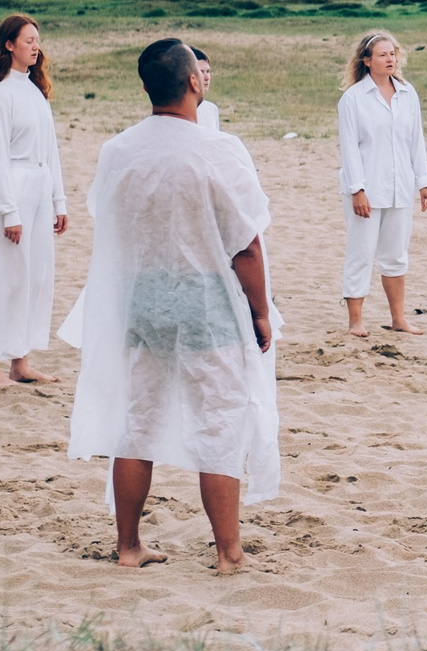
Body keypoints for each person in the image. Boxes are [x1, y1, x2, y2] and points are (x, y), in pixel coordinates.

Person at [63, 37, 279, 573]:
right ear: (193, 82)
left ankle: (128, 544)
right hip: (205, 297)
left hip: (143, 297)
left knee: (137, 418)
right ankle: (229, 552)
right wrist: (260, 310)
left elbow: (109, 222)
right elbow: (246, 245)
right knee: (220, 420)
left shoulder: (119, 150)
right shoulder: (217, 149)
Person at [0, 14, 68, 388]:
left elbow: (51, 151)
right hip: (13, 189)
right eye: (28, 40)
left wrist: (59, 201)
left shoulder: (35, 91)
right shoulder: (0, 94)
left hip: (40, 187)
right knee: (6, 278)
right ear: (9, 45)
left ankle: (21, 361)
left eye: (38, 39)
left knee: (36, 277)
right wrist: (9, 211)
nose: (35, 45)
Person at [337, 29, 427, 338]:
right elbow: (349, 148)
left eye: (392, 53)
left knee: (396, 255)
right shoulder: (353, 99)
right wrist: (357, 189)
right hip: (366, 188)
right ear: (367, 61)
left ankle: (398, 319)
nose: (390, 59)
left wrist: (424, 182)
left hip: (400, 186)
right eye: (382, 54)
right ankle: (356, 321)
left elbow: (416, 141)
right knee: (361, 253)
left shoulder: (408, 93)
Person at [192, 46, 221, 134]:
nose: (207, 77)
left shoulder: (211, 109)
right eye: (201, 72)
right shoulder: (180, 111)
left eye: (208, 71)